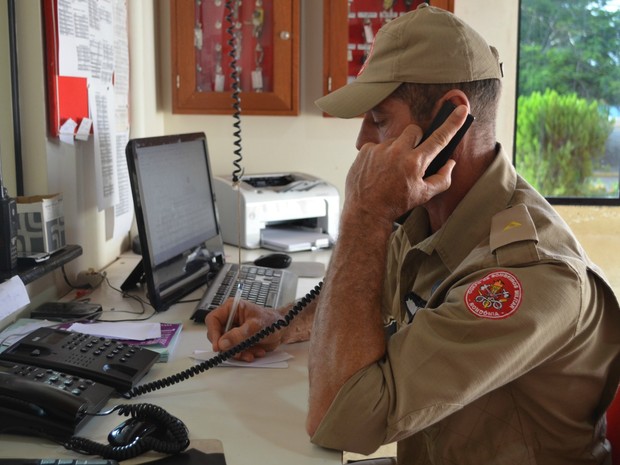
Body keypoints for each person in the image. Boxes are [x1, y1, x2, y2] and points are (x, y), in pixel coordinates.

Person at [206, 4, 620, 464]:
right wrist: (281, 325)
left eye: (378, 119)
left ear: (452, 119)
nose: (362, 141)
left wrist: (364, 214)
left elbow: (338, 418)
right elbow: (373, 292)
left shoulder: (528, 274)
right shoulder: (430, 215)